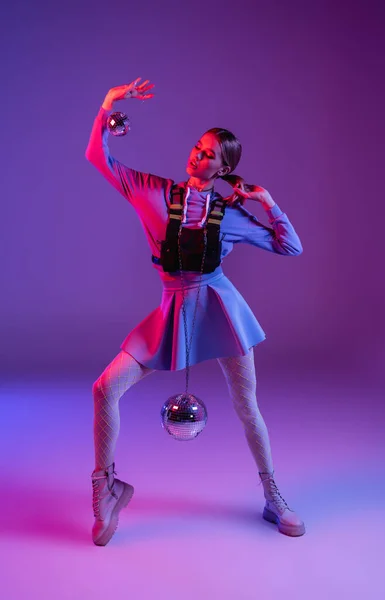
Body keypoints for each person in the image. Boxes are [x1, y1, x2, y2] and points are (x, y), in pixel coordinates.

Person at [85, 78, 305, 546]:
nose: (196, 156)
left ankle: (273, 496)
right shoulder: (152, 191)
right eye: (196, 147)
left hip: (222, 308)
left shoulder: (231, 214)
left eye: (208, 155)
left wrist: (266, 202)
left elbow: (290, 246)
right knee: (105, 388)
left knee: (247, 405)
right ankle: (107, 489)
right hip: (172, 312)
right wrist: (108, 104)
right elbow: (99, 159)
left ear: (223, 167)